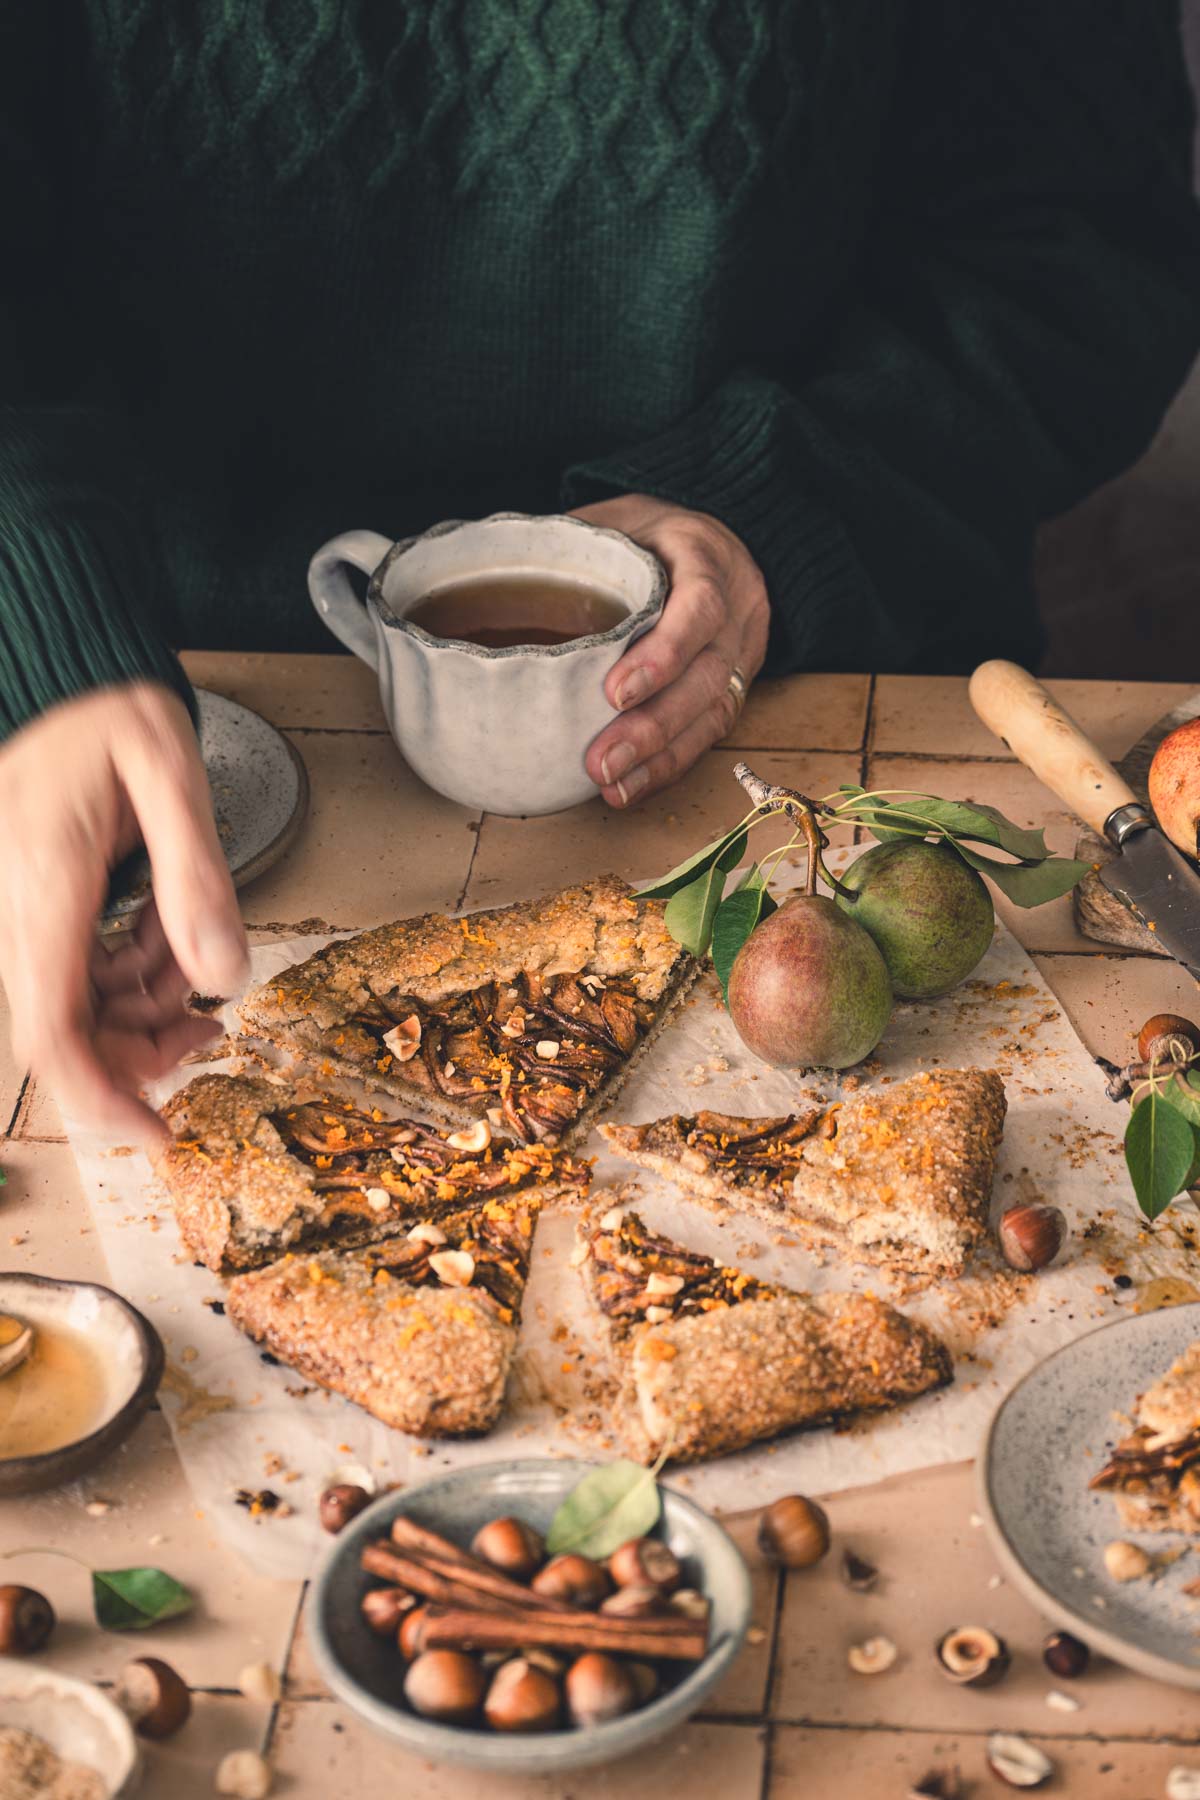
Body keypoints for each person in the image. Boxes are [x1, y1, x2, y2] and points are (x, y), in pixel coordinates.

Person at [1, 0, 1198, 1143]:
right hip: (151, 753)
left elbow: (1083, 251)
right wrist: (36, 609)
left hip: (827, 711)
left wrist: (782, 501)